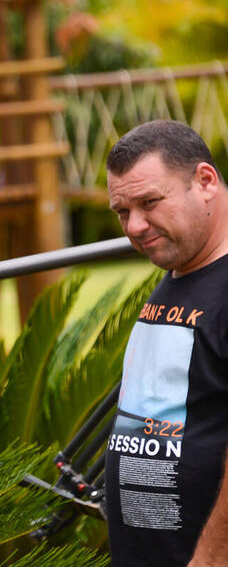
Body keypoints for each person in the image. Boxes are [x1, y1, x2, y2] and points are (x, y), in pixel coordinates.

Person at [103, 120, 228, 566]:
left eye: (150, 203)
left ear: (205, 181)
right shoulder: (181, 275)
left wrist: (213, 556)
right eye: (122, 211)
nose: (135, 225)